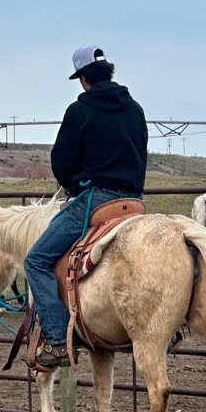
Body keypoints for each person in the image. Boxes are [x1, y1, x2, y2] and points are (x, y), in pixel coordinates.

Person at [23, 44, 148, 368]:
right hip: (134, 202)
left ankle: (57, 341)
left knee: (36, 260)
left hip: (96, 200)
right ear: (108, 72)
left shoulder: (79, 111)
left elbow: (62, 162)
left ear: (83, 78)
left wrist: (71, 182)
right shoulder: (135, 109)